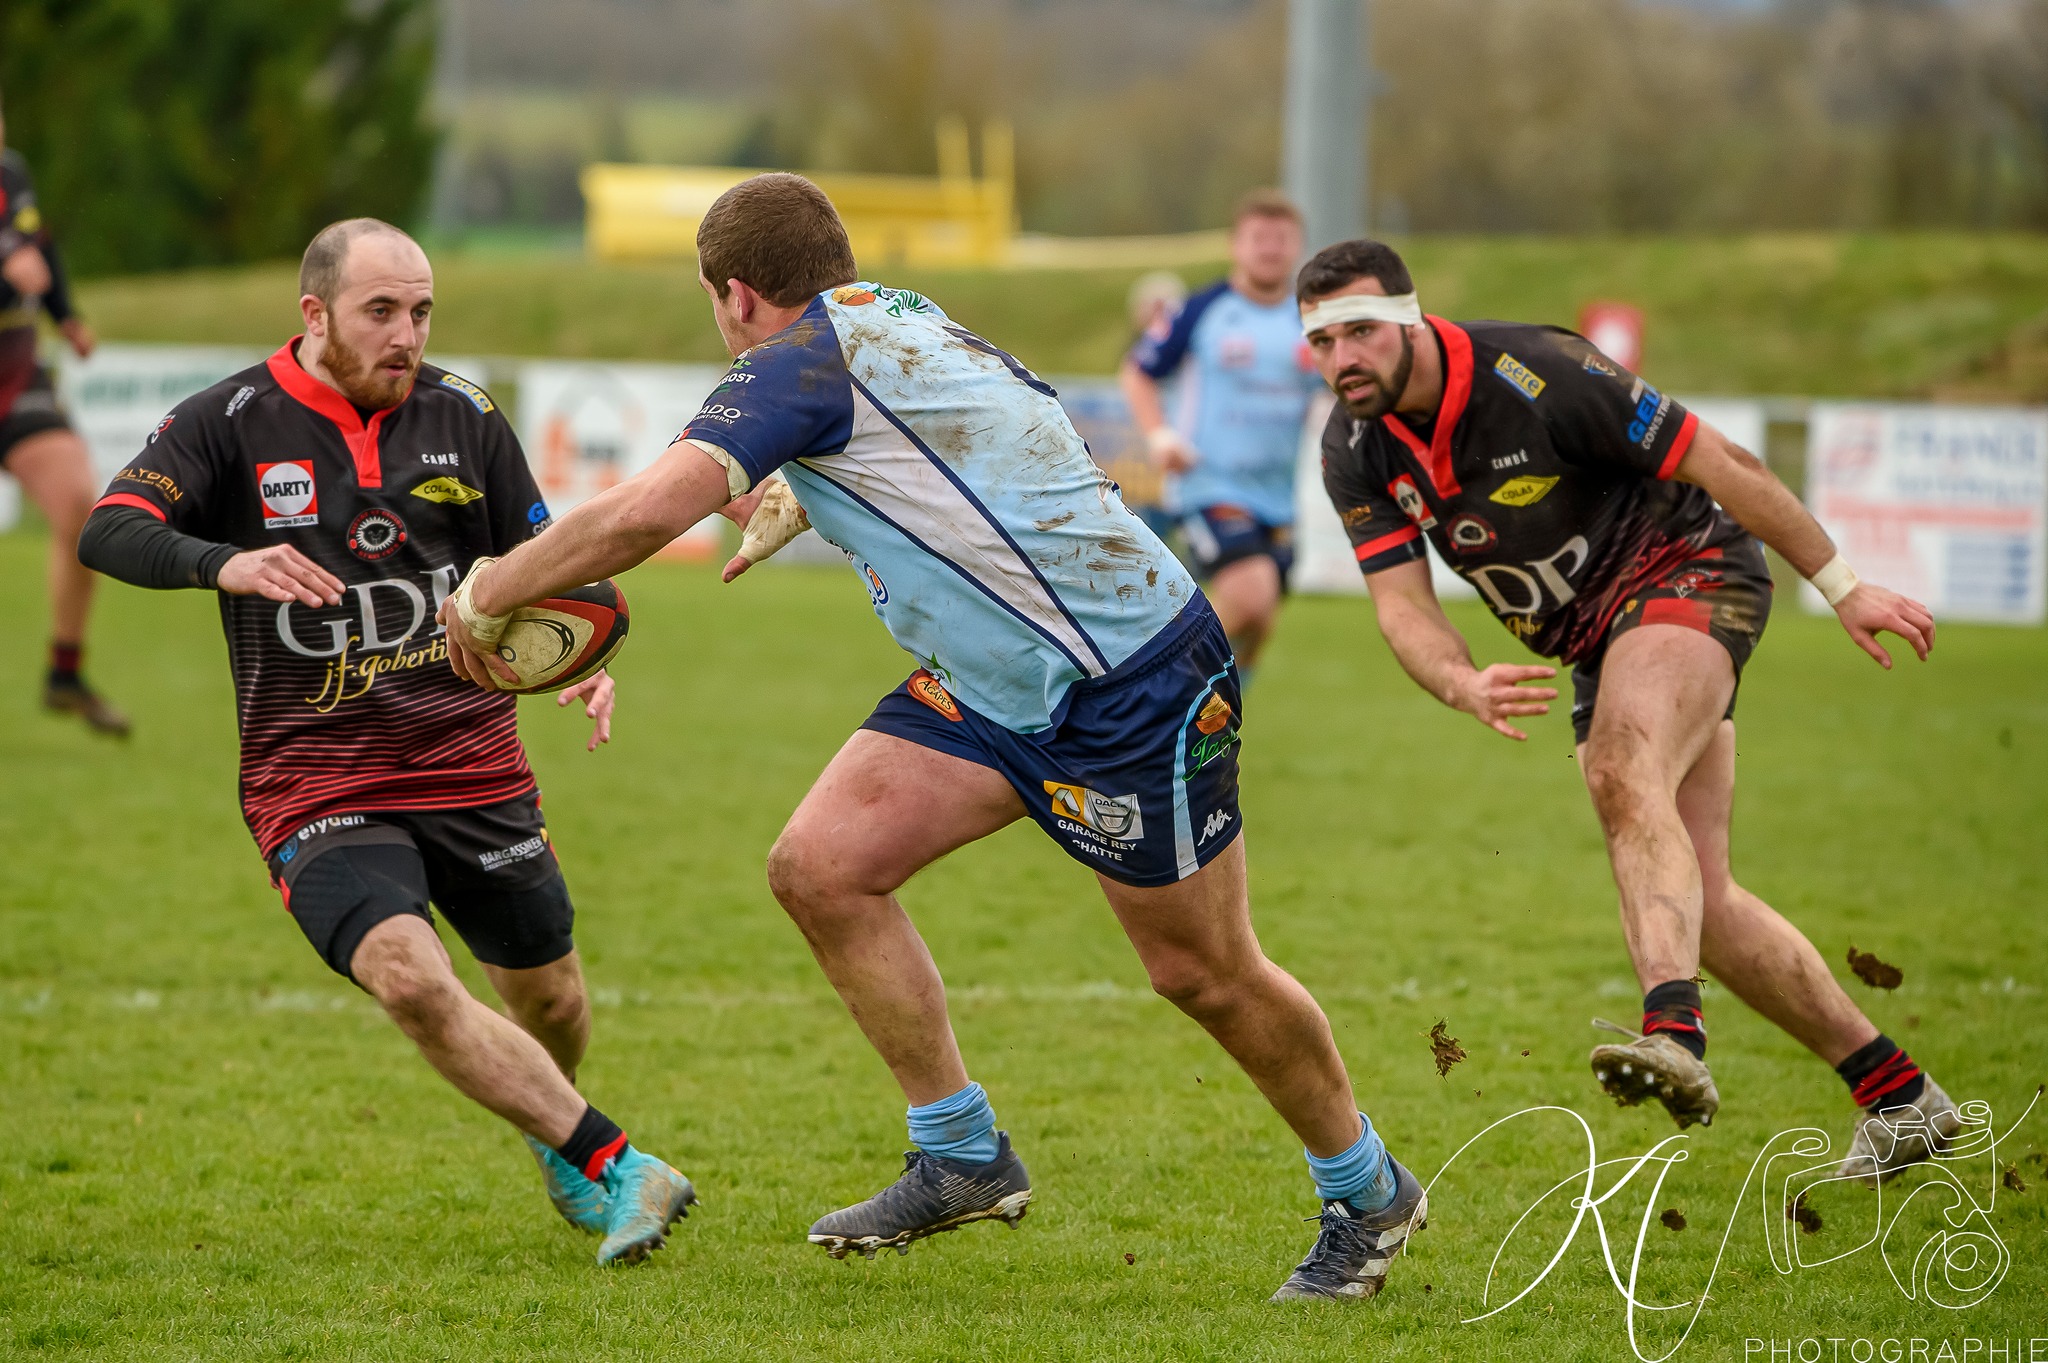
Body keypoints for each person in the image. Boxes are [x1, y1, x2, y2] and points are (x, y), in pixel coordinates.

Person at [441, 173, 1427, 1301]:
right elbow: (979, 435)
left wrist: (486, 592)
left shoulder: (793, 364)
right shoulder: (895, 313)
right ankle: (960, 1152)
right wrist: (813, 493)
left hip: (1129, 679)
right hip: (990, 679)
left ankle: (1367, 1189)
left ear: (732, 294)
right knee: (821, 867)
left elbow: (641, 514)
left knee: (1201, 971)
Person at [76, 218, 695, 1265]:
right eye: (380, 311)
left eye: (420, 311)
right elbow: (111, 526)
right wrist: (220, 562)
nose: (405, 334)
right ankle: (615, 1158)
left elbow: (540, 562)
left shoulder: (465, 413)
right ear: (314, 314)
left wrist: (575, 656)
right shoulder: (230, 420)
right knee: (408, 977)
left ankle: (558, 1132)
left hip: (470, 758)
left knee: (551, 996)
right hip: (314, 776)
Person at [1300, 237, 1956, 1183]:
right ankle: (1899, 1096)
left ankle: (1673, 1036)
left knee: (1619, 768)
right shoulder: (1353, 446)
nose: (1342, 359)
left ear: (1409, 317)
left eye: (1360, 331)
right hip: (1593, 639)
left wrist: (1843, 584)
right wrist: (1461, 680)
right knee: (1710, 907)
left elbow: (1724, 460)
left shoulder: (1541, 372)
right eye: (1322, 342)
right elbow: (1402, 606)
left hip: (1689, 571)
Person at [1119, 190, 1324, 686]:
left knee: (1260, 621)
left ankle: (1208, 720)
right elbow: (1138, 372)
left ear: (1297, 247)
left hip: (1278, 498)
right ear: (1236, 245)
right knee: (1251, 596)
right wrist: (1160, 435)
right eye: (1259, 238)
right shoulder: (1200, 310)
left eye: (1282, 239)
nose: (1270, 249)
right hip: (1208, 484)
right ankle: (1146, 695)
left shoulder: (1311, 320)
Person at [0, 104, 127, 734]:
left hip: (17, 377)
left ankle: (65, 671)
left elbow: (35, 245)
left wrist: (65, 313)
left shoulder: (11, 173)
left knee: (81, 506)